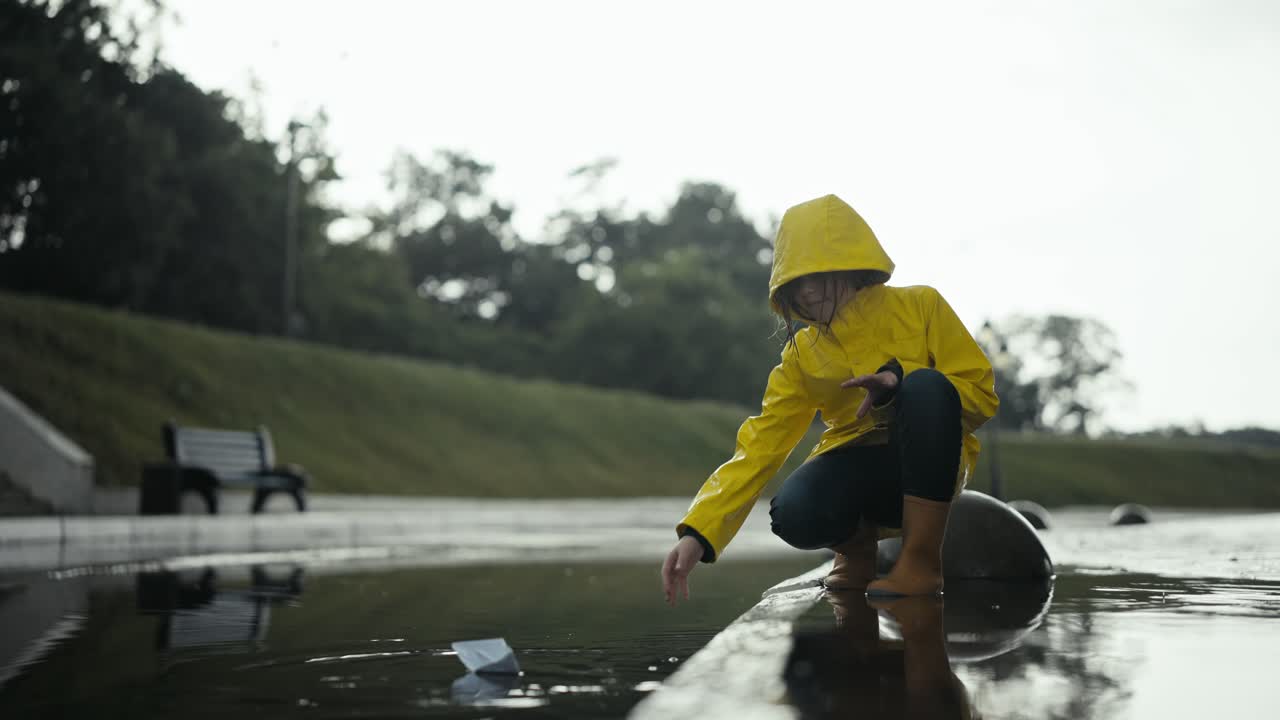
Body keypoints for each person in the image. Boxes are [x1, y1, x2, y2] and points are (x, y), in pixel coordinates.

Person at [660, 194, 998, 604]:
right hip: (855, 468)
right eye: (795, 280)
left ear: (850, 262)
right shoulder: (801, 355)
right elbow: (760, 444)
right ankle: (856, 553)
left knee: (925, 384)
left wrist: (899, 386)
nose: (806, 291)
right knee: (794, 511)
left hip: (930, 466)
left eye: (817, 274)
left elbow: (980, 395)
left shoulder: (921, 305)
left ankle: (920, 563)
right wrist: (698, 532)